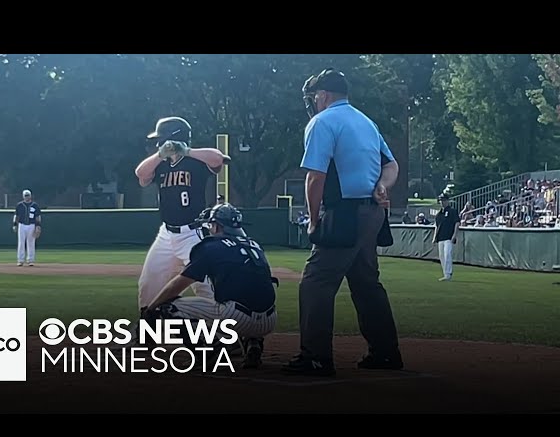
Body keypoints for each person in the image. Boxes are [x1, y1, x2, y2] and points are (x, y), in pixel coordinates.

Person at [282, 67, 403, 376]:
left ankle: (316, 357)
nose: (312, 102)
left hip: (344, 213)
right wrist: (383, 186)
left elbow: (315, 177)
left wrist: (312, 220)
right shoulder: (366, 121)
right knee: (366, 284)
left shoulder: (321, 122)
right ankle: (386, 353)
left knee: (316, 281)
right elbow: (392, 165)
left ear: (323, 95)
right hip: (373, 214)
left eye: (314, 96)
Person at [137, 203, 278, 369]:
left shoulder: (211, 246)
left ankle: (206, 353)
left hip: (237, 318)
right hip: (269, 320)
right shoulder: (254, 245)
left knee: (166, 307)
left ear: (217, 226)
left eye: (210, 224)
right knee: (249, 293)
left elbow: (178, 283)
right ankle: (253, 343)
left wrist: (151, 308)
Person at [134, 116, 230, 313]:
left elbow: (218, 158)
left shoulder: (196, 161)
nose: (158, 143)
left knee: (210, 290)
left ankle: (229, 334)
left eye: (161, 139)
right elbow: (141, 174)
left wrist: (186, 151)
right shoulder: (160, 164)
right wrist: (160, 155)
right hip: (166, 235)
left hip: (193, 234)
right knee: (148, 286)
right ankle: (146, 333)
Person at [432, 193, 460, 281]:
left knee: (447, 254)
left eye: (444, 200)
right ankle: (445, 274)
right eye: (441, 200)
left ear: (447, 201)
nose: (442, 202)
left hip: (448, 237)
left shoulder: (452, 211)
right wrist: (434, 237)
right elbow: (437, 226)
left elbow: (457, 223)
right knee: (442, 256)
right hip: (440, 237)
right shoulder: (439, 214)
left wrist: (454, 235)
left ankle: (448, 273)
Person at [12, 189, 41, 266]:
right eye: (25, 195)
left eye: (28, 195)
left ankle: (30, 260)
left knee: (31, 243)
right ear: (23, 196)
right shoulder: (19, 205)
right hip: (22, 225)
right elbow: (16, 216)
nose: (27, 197)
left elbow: (37, 216)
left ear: (30, 196)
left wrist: (38, 226)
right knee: (21, 243)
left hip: (31, 225)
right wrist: (15, 224)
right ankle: (20, 260)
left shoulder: (35, 205)